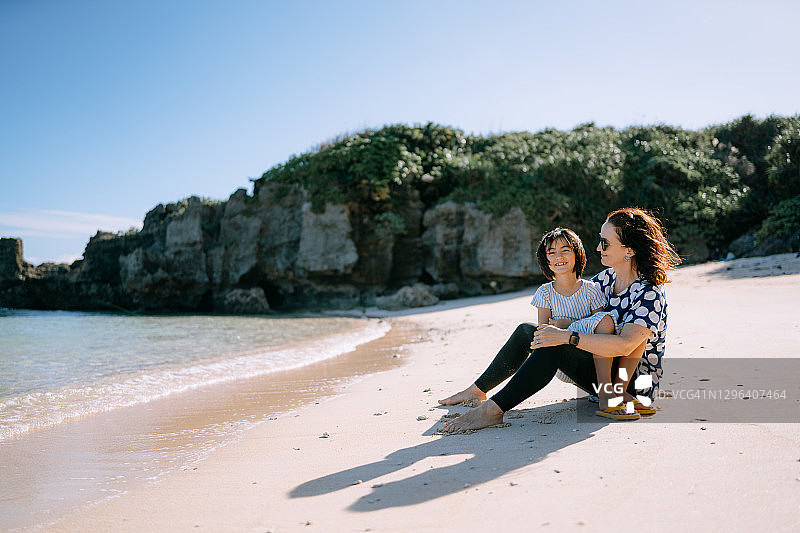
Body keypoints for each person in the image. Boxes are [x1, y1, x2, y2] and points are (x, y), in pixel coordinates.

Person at [439, 207, 679, 430]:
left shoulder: (649, 293)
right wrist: (560, 329)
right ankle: (478, 390)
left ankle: (493, 410)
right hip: (601, 370)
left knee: (555, 343)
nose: (598, 248)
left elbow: (626, 345)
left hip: (633, 385)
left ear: (629, 250)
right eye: (600, 241)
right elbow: (582, 320)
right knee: (528, 331)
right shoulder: (604, 280)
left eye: (605, 243)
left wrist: (567, 336)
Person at [529, 227, 640, 420]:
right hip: (566, 359)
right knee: (604, 321)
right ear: (545, 260)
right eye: (552, 252)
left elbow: (603, 329)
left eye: (565, 250)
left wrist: (566, 324)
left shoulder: (591, 289)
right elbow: (544, 333)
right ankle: (606, 393)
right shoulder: (544, 293)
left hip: (595, 357)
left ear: (577, 253)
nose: (559, 256)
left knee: (614, 325)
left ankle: (608, 391)